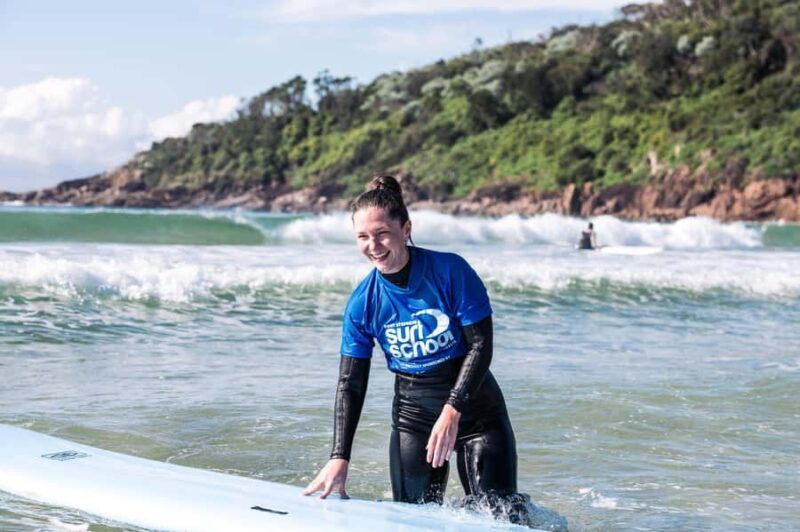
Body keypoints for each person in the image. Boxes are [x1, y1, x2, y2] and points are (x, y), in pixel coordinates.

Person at [303, 174, 523, 517]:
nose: (373, 245)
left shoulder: (450, 271)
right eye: (363, 237)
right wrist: (339, 457)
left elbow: (481, 345)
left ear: (405, 229)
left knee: (501, 517)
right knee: (414, 520)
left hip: (476, 415)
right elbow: (350, 383)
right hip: (414, 418)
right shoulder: (363, 303)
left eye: (382, 233)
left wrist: (452, 409)